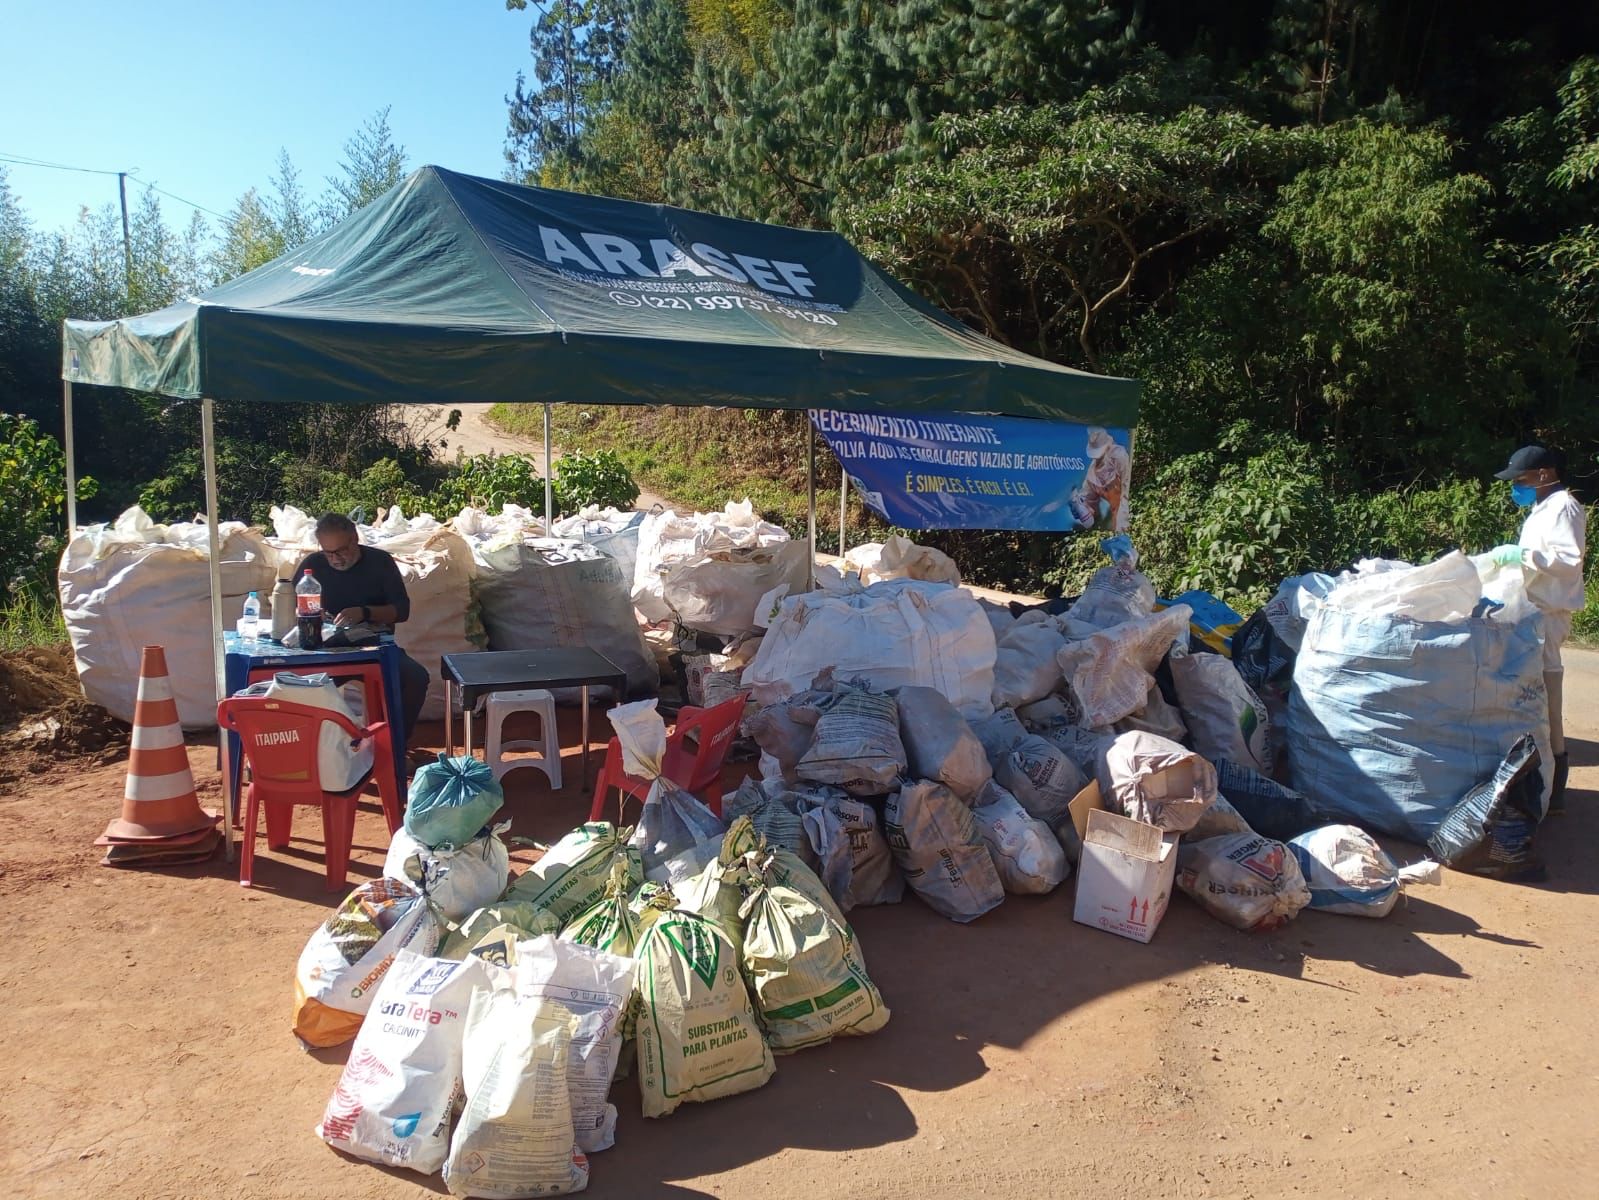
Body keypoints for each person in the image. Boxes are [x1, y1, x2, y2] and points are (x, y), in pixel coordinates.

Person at [1489, 445, 1588, 811]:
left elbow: (1567, 560)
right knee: (1532, 694)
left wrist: (1524, 555)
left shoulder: (1564, 507)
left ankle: (1555, 782)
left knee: (1547, 695)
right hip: (1534, 610)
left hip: (1549, 613)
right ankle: (1540, 776)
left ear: (1544, 475)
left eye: (1521, 480)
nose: (1516, 486)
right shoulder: (1542, 507)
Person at [294, 513, 432, 757]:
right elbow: (293, 610)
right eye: (329, 553)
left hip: (373, 646)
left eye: (342, 551)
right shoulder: (313, 567)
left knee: (415, 677)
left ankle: (393, 747)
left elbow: (402, 611)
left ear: (355, 538)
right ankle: (307, 755)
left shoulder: (380, 562)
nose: (336, 559)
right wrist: (315, 617)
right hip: (327, 650)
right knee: (298, 685)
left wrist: (364, 612)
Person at [1081, 427, 1132, 531]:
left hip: (1124, 511)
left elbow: (1126, 488)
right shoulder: (1092, 475)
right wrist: (1084, 509)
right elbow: (1086, 498)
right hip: (1112, 517)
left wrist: (1122, 524)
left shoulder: (1120, 457)